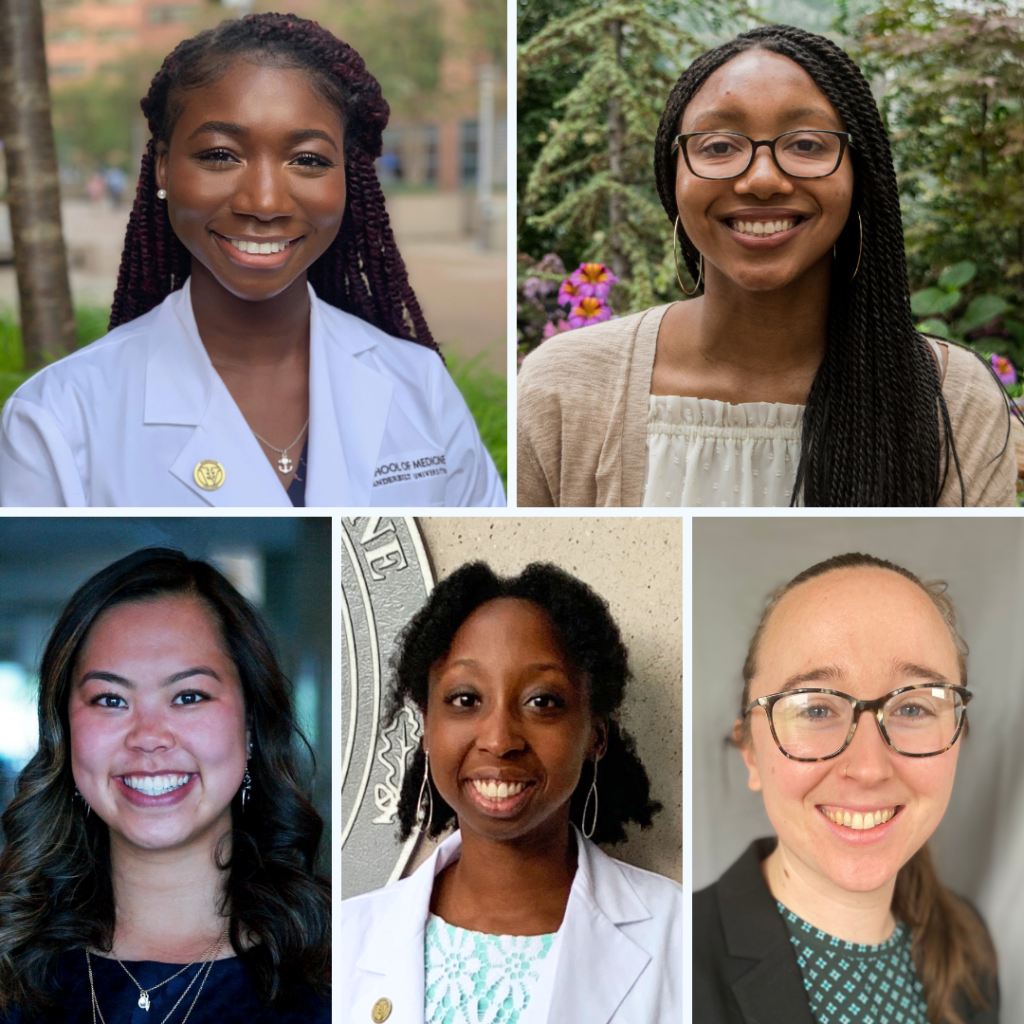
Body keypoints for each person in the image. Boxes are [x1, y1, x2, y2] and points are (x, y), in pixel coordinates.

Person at [0, 13, 503, 508]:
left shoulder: (420, 387)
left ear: (347, 179)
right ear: (163, 168)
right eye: (221, 155)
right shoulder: (58, 419)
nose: (264, 203)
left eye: (307, 160)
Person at [517, 24, 1020, 507]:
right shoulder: (563, 389)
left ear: (859, 176)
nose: (762, 179)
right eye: (718, 146)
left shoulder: (953, 402)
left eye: (806, 144)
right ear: (673, 179)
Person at [340, 562, 682, 1023]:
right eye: (466, 700)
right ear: (427, 726)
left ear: (596, 736)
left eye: (542, 702)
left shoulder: (686, 937)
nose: (499, 740)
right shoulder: (342, 939)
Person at [0, 548, 330, 1022]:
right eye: (111, 699)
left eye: (188, 696)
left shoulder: (341, 971)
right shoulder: (13, 971)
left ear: (251, 725)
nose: (149, 738)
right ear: (64, 733)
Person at [694, 553, 998, 1023]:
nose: (869, 767)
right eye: (816, 710)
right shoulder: (680, 958)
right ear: (750, 752)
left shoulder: (970, 946)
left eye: (914, 708)